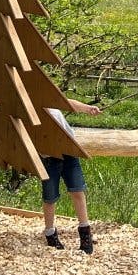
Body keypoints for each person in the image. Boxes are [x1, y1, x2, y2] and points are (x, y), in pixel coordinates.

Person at [41, 98, 103, 253]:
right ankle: (50, 234)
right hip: (49, 156)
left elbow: (66, 102)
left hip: (69, 152)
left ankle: (85, 233)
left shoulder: (49, 97)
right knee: (50, 197)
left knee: (77, 190)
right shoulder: (31, 105)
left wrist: (87, 108)